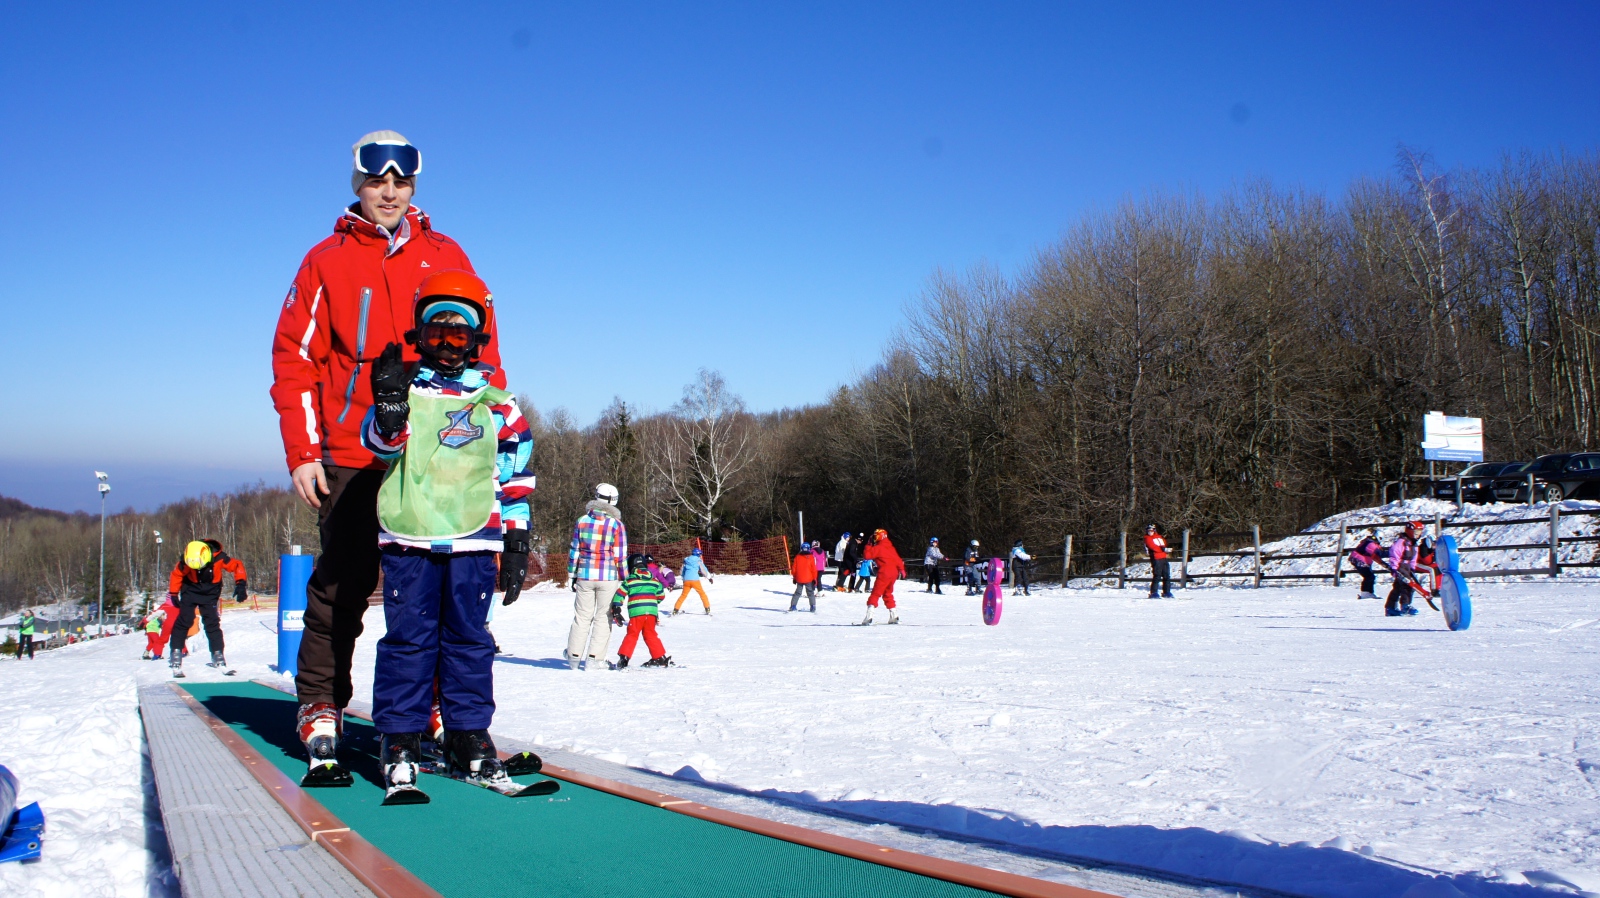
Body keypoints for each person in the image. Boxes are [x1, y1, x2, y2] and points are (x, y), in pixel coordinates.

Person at [273, 132, 506, 770]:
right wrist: (303, 451)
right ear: (359, 185)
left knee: (435, 592)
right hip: (354, 451)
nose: (390, 192)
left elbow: (484, 352)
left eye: (402, 182)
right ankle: (321, 703)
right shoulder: (326, 260)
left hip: (438, 456)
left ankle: (430, 711)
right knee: (343, 583)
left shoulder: (445, 253)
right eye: (378, 181)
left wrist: (488, 434)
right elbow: (294, 359)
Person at [359, 270, 535, 798]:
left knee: (469, 640)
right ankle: (400, 737)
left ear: (477, 339)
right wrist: (389, 414)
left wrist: (516, 542)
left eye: (459, 335)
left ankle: (466, 733)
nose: (447, 347)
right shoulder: (405, 392)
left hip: (473, 541)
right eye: (437, 333)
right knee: (408, 641)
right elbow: (380, 447)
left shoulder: (498, 405)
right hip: (411, 538)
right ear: (419, 335)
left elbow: (515, 478)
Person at [569, 483, 628, 670]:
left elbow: (575, 550)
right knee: (603, 617)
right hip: (608, 576)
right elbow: (620, 555)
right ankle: (595, 658)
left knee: (582, 616)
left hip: (585, 575)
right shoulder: (616, 525)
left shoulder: (582, 521)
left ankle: (573, 656)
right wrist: (624, 577)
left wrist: (572, 574)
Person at [168, 539, 249, 675]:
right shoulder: (187, 560)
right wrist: (173, 593)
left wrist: (241, 584)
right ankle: (176, 652)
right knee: (185, 620)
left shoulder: (219, 557)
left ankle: (218, 654)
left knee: (212, 623)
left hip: (210, 592)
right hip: (190, 590)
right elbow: (177, 574)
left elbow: (237, 565)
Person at [611, 554, 673, 668]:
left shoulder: (630, 580)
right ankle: (660, 657)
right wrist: (651, 602)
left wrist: (616, 607)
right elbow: (661, 595)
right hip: (651, 613)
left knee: (632, 634)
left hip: (637, 613)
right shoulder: (654, 580)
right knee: (651, 634)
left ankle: (624, 658)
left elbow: (620, 593)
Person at [861, 529, 903, 625]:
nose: (874, 538)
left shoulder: (878, 548)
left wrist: (868, 545)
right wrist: (902, 569)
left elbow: (867, 556)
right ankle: (894, 615)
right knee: (887, 593)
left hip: (884, 572)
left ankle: (869, 616)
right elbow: (898, 559)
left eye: (876, 536)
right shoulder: (891, 548)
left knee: (876, 593)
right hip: (894, 573)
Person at [1385, 522, 1423, 617]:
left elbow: (1414, 558)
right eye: (1416, 532)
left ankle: (1390, 607)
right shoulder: (1401, 542)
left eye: (1419, 532)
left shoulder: (1413, 544)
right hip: (1400, 566)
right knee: (1408, 585)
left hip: (1407, 567)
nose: (1418, 535)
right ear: (1410, 531)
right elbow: (1394, 554)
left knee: (1398, 587)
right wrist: (1394, 568)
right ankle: (1406, 606)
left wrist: (1412, 568)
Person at [674, 547, 714, 615]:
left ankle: (675, 610)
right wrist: (709, 578)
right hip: (695, 580)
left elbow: (682, 571)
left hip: (686, 580)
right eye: (700, 554)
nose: (700, 556)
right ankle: (707, 609)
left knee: (683, 595)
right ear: (698, 554)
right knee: (702, 594)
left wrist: (683, 578)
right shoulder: (698, 560)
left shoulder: (686, 560)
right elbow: (703, 570)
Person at [1347, 529, 1383, 599]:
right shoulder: (1370, 544)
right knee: (1369, 576)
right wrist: (1391, 553)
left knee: (1370, 576)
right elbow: (1378, 553)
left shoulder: (1369, 542)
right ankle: (1365, 593)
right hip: (1359, 560)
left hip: (1360, 560)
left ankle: (1369, 593)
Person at [1144, 525, 1173, 599]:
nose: (1150, 532)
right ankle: (1154, 592)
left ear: (1154, 530)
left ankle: (1166, 592)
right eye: (1148, 530)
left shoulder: (1159, 537)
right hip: (1156, 558)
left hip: (1163, 557)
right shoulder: (1147, 538)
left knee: (1166, 575)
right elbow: (1153, 547)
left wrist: (1166, 549)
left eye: (1151, 530)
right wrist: (1162, 550)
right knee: (1157, 575)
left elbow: (1163, 544)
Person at [790, 542, 819, 612]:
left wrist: (794, 576)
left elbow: (794, 568)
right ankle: (813, 606)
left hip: (799, 578)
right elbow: (813, 569)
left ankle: (793, 606)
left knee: (798, 592)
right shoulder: (811, 557)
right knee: (810, 592)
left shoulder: (797, 557)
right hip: (809, 578)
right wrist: (814, 578)